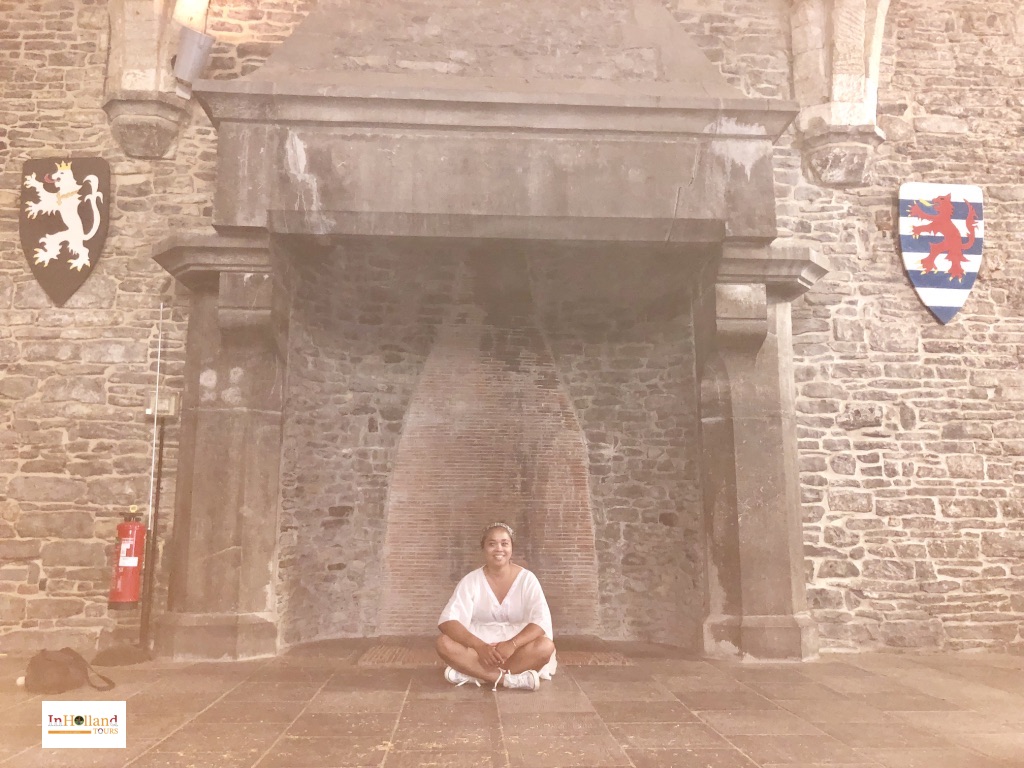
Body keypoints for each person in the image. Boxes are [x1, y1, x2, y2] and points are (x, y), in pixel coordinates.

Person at [435, 522, 557, 691]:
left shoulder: (527, 579)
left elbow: (541, 621)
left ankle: (475, 674)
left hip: (516, 651)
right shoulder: (471, 580)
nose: (499, 549)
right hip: (479, 652)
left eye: (504, 543)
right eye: (492, 544)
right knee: (443, 643)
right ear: (483, 548)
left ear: (512, 548)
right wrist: (480, 646)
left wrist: (512, 645)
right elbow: (447, 621)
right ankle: (508, 680)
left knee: (545, 647)